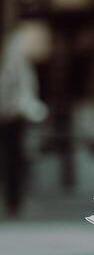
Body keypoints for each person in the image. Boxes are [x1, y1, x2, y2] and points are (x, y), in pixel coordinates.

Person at [0, 21, 48, 217]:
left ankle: (14, 202)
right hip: (11, 116)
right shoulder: (16, 60)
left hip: (12, 115)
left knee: (15, 161)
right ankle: (14, 202)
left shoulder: (16, 58)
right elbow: (19, 92)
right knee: (13, 161)